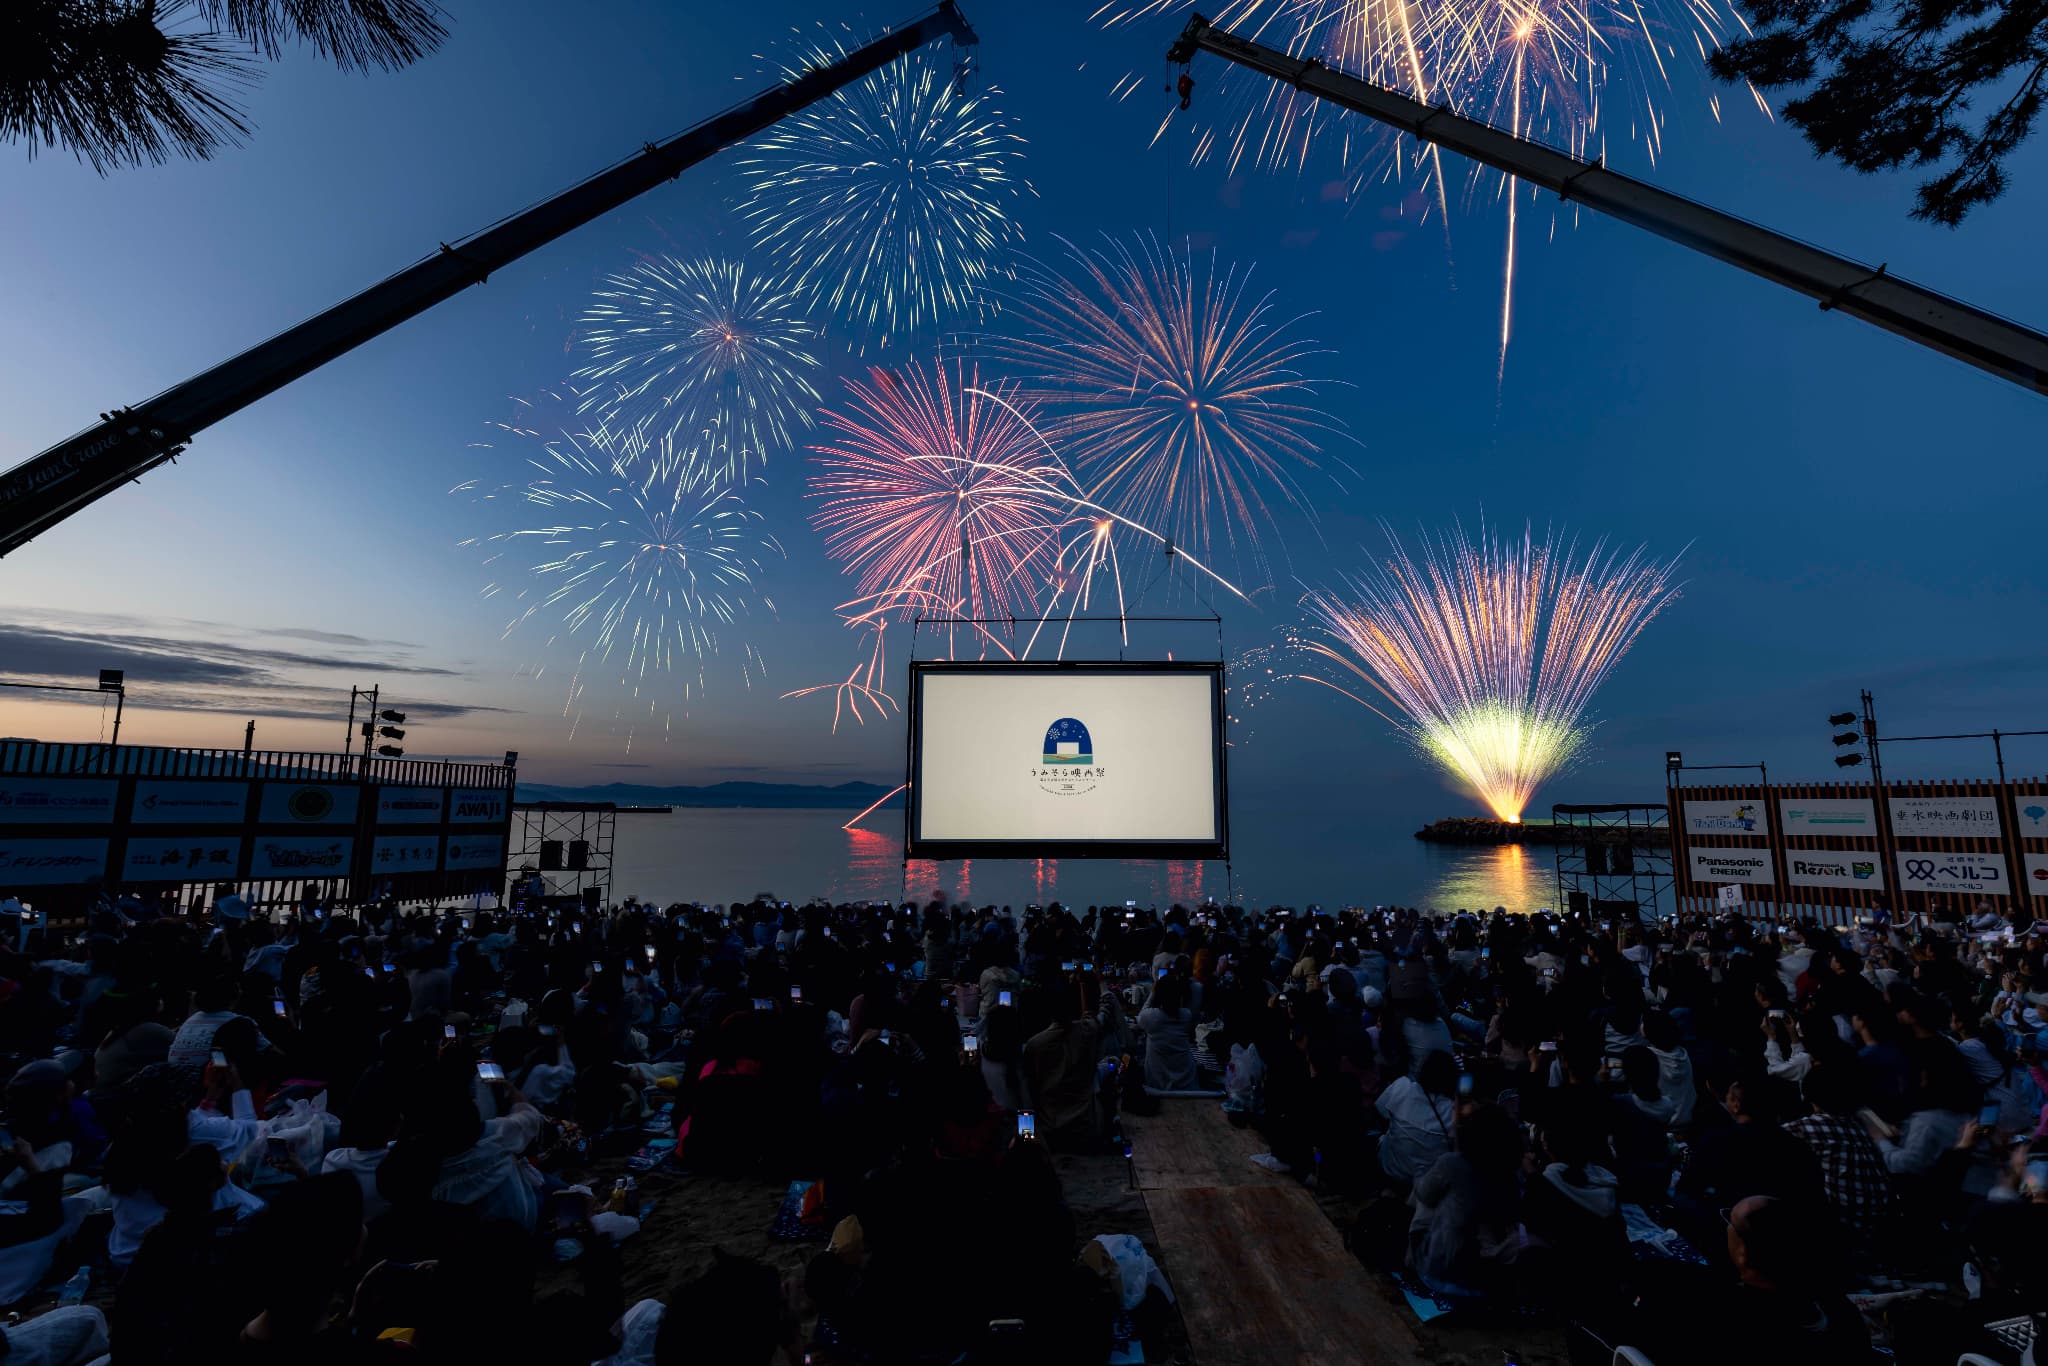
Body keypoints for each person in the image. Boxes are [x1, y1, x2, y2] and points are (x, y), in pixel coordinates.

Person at [1406, 1102, 1521, 1299]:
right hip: (1485, 1283)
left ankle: (1409, 1260)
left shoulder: (1452, 1164)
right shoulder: (1510, 1175)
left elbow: (1425, 1195)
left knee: (1426, 1197)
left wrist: (1419, 1177)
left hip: (1439, 1275)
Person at [1374, 1050, 1458, 1186]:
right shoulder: (1452, 1111)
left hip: (1390, 1169)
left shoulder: (1402, 1087)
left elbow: (1379, 1110)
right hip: (1425, 1182)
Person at [1136, 974, 1198, 1091]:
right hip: (1187, 1082)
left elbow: (1141, 1015)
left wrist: (1154, 992)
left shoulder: (1150, 1017)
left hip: (1157, 1085)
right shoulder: (1186, 1015)